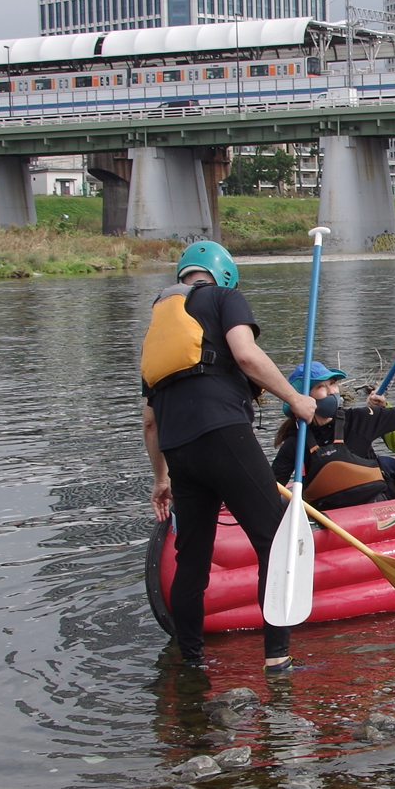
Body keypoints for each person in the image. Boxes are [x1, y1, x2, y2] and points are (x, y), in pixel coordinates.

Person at [140, 239, 318, 676]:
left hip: (178, 450)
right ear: (224, 275)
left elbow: (149, 420)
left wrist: (160, 477)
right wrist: (297, 399)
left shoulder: (159, 325)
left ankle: (192, 660)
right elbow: (245, 353)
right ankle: (277, 658)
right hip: (221, 432)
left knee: (192, 557)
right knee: (274, 540)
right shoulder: (224, 297)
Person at [269, 361, 395, 510]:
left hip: (374, 506)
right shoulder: (296, 441)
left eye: (332, 383)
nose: (332, 391)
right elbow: (271, 487)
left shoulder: (361, 419)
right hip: (330, 515)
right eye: (321, 387)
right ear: (302, 399)